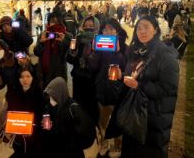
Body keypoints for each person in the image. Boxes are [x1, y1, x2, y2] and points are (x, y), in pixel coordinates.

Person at [105, 15, 179, 158]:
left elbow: (168, 88)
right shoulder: (137, 51)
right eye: (139, 28)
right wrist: (121, 76)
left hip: (152, 118)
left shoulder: (165, 54)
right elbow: (132, 80)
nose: (142, 31)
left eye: (146, 27)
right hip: (133, 115)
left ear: (156, 30)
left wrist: (139, 85)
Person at [89, 19, 126, 156]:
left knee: (117, 121)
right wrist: (95, 51)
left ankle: (117, 145)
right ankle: (104, 142)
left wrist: (117, 53)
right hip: (102, 89)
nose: (108, 32)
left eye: (111, 29)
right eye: (105, 29)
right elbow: (93, 67)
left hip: (117, 91)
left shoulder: (124, 47)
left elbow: (124, 68)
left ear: (117, 30)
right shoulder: (100, 46)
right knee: (102, 120)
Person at [42, 77, 96, 158]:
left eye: (53, 97)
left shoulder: (74, 109)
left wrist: (68, 140)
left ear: (60, 94)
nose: (50, 100)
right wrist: (47, 126)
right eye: (50, 97)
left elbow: (84, 133)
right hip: (56, 148)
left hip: (71, 151)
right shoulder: (50, 107)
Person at [1, 65, 45, 157]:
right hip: (16, 132)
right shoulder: (13, 92)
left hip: (32, 132)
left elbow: (40, 113)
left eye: (28, 76)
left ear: (33, 77)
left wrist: (32, 127)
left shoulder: (38, 93)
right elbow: (10, 111)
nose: (25, 80)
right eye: (22, 77)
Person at [66, 16, 99, 124]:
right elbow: (69, 58)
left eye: (91, 25)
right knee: (79, 104)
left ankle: (92, 128)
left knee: (91, 106)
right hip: (78, 77)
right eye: (86, 25)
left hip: (92, 80)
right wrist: (73, 52)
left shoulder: (100, 40)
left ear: (96, 26)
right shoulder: (77, 38)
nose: (88, 27)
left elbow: (100, 62)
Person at [34, 12, 72, 87]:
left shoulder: (67, 36)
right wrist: (41, 43)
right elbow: (36, 52)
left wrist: (64, 42)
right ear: (48, 23)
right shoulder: (44, 35)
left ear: (61, 23)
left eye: (57, 22)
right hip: (45, 72)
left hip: (59, 72)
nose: (54, 24)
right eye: (52, 22)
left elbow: (69, 56)